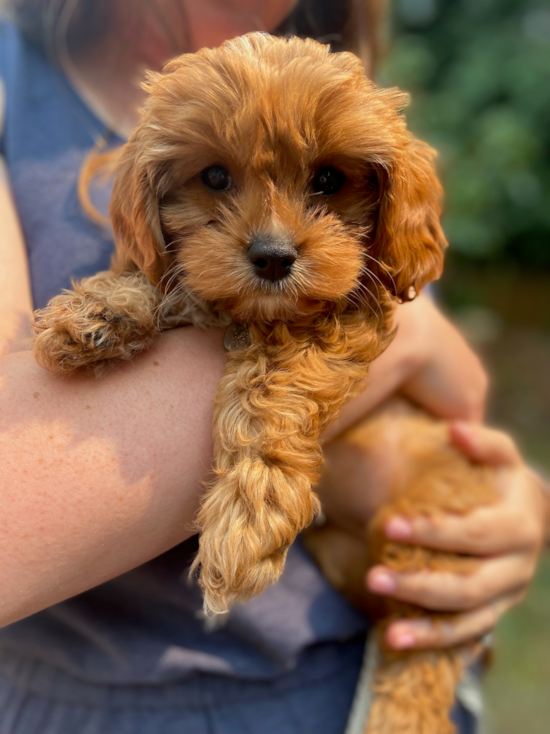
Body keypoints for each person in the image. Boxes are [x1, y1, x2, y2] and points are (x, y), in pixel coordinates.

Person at [0, 1, 546, 732]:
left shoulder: (338, 75)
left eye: (326, 184)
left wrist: (520, 505)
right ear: (145, 196)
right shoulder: (16, 81)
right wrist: (126, 298)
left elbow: (439, 374)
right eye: (217, 181)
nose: (273, 237)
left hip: (374, 646)